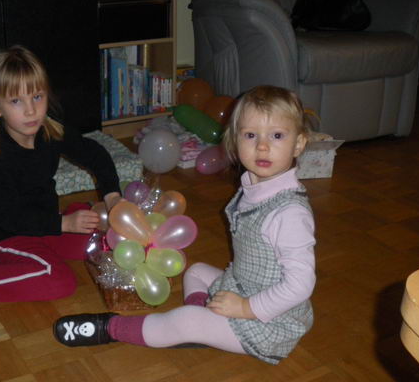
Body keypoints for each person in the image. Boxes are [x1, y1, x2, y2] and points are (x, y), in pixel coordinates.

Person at [54, 85, 316, 365]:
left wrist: (245, 308)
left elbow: (300, 285)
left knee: (186, 319)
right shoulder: (255, 186)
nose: (262, 146)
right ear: (235, 139)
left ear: (299, 144)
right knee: (197, 271)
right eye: (251, 135)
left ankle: (111, 328)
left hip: (269, 323)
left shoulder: (289, 213)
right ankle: (204, 328)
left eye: (277, 136)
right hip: (244, 285)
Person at [0, 45, 122, 303]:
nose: (31, 110)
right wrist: (63, 224)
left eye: (37, 96)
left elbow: (94, 154)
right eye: (16, 101)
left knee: (101, 242)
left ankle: (73, 217)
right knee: (60, 281)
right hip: (9, 234)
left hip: (47, 225)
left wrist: (113, 195)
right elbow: (10, 218)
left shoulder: (50, 130)